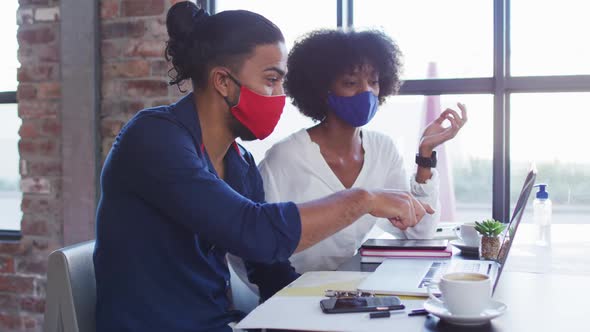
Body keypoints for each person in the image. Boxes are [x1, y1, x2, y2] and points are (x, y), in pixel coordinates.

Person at [93, 3, 432, 332]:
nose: (280, 96)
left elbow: (269, 269)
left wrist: (345, 305)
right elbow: (253, 233)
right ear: (223, 82)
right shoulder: (154, 138)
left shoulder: (239, 162)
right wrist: (362, 199)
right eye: (271, 80)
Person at [231, 28, 467, 296]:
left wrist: (426, 153)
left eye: (374, 82)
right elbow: (252, 250)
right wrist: (285, 296)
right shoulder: (285, 158)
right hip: (291, 294)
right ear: (322, 90)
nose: (366, 92)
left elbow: (419, 232)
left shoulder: (383, 150)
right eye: (351, 83)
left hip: (343, 291)